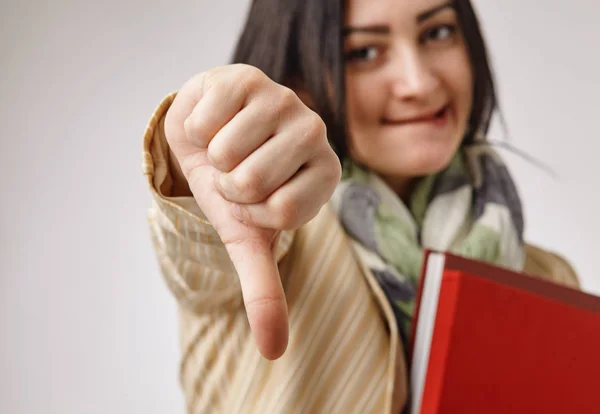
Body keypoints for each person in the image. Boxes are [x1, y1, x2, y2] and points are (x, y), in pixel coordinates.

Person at [142, 0, 581, 412]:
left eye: (438, 32)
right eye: (364, 51)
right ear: (298, 78)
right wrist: (198, 150)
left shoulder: (549, 281)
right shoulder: (271, 236)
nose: (419, 83)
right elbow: (197, 242)